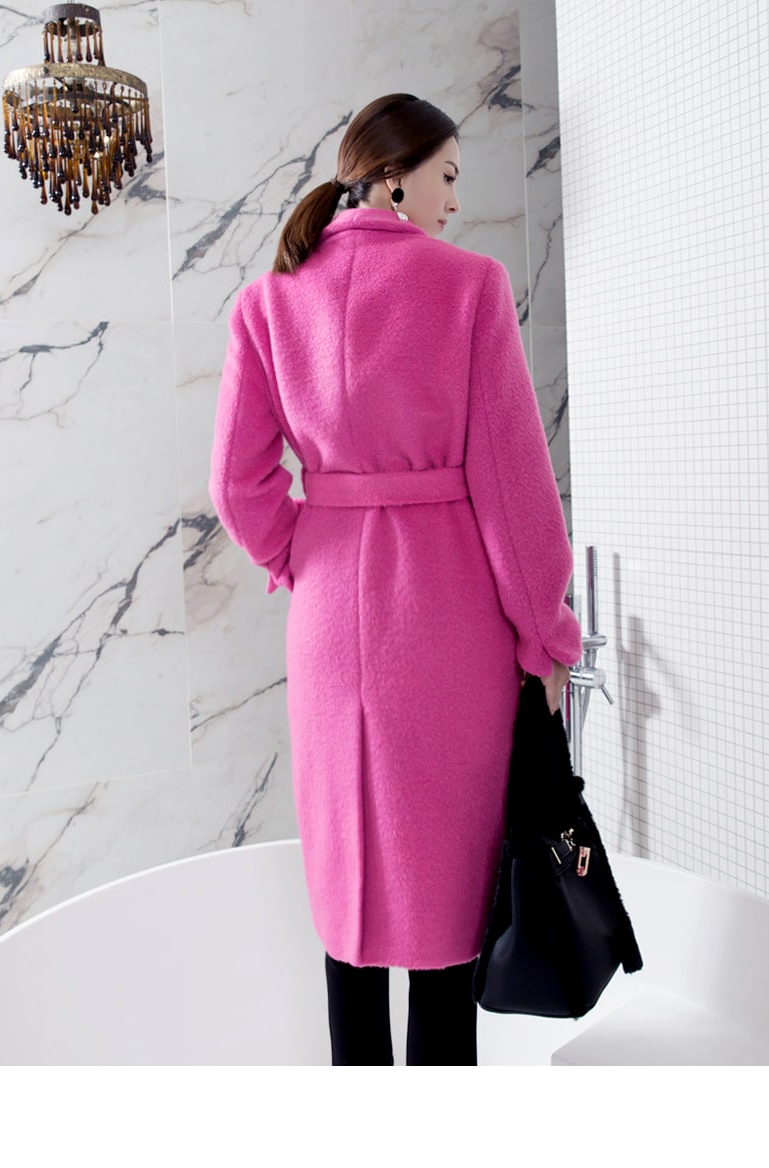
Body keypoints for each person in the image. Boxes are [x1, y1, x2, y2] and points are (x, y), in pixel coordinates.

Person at [209, 93, 582, 1065]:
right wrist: (545, 633)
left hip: (327, 621)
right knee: (446, 907)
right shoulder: (469, 287)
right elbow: (512, 488)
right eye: (446, 176)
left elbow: (237, 484)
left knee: (351, 897)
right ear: (391, 175)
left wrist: (299, 554)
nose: (454, 201)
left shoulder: (268, 302)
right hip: (444, 624)